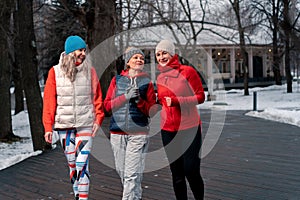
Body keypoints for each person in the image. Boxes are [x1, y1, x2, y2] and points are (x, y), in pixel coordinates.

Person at [43, 35, 105, 200]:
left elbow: (97, 97)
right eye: (80, 50)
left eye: (84, 50)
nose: (83, 53)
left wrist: (98, 119)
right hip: (64, 126)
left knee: (81, 163)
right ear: (70, 51)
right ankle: (78, 194)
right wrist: (48, 128)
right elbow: (49, 101)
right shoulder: (54, 72)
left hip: (85, 123)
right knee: (72, 165)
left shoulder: (89, 71)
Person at [155, 39, 205, 200]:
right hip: (168, 130)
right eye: (158, 54)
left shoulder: (187, 72)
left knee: (191, 170)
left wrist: (178, 101)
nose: (161, 57)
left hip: (189, 128)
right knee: (177, 174)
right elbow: (162, 101)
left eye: (164, 53)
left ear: (172, 54)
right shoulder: (160, 78)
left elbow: (200, 97)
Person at [104, 47, 156, 200]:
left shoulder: (147, 82)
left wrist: (140, 101)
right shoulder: (116, 80)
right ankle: (136, 197)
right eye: (135, 57)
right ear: (128, 62)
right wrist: (125, 97)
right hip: (117, 133)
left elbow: (152, 111)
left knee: (131, 174)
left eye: (141, 58)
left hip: (138, 133)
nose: (139, 60)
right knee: (124, 172)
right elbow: (107, 106)